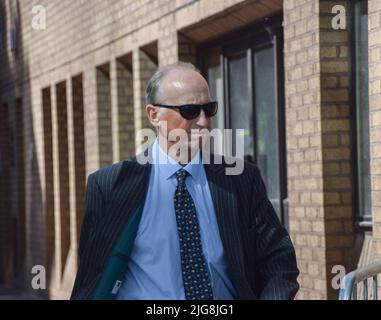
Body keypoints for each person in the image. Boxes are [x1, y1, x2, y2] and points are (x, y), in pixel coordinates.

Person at [70, 62, 299, 300]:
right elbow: (92, 280)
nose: (203, 121)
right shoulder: (109, 186)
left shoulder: (241, 179)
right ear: (154, 114)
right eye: (190, 111)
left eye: (209, 109)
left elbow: (278, 260)